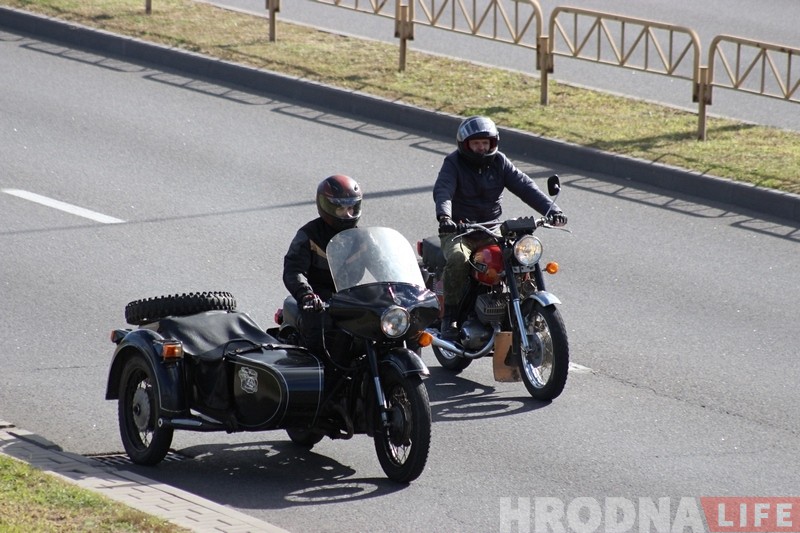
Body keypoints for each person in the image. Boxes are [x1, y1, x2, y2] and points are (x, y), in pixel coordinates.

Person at [433, 115, 568, 339]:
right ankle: (450, 318)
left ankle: (527, 309)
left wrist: (552, 211)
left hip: (491, 230)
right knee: (458, 259)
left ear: (493, 143)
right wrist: (445, 217)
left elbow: (525, 186)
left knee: (520, 258)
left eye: (485, 143)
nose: (481, 148)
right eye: (476, 144)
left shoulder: (499, 162)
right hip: (460, 230)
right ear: (465, 145)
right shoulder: (453, 163)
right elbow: (443, 190)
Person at [283, 174, 362, 354]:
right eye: (341, 209)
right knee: (323, 334)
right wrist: (306, 295)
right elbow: (294, 270)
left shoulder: (362, 238)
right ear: (328, 207)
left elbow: (384, 265)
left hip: (352, 298)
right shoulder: (309, 235)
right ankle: (323, 376)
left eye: (351, 207)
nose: (347, 214)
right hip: (319, 301)